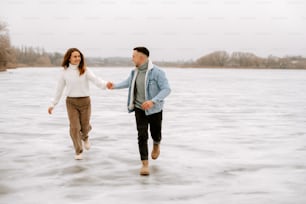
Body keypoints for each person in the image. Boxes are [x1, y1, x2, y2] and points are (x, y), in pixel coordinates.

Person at [107, 47, 171, 175]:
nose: (132, 58)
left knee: (155, 133)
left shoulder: (157, 72)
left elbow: (166, 89)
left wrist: (153, 101)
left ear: (141, 58)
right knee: (142, 135)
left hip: (154, 109)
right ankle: (145, 164)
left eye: (133, 56)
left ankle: (156, 144)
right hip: (139, 108)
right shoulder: (134, 72)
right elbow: (128, 83)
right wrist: (114, 86)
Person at [48, 48, 108, 160]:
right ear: (69, 58)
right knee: (75, 127)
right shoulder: (64, 72)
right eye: (75, 56)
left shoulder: (85, 70)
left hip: (85, 101)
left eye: (79, 56)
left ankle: (85, 137)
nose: (77, 58)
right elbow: (59, 89)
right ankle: (78, 150)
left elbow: (96, 80)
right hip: (71, 102)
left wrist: (106, 85)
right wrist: (53, 104)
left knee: (85, 126)